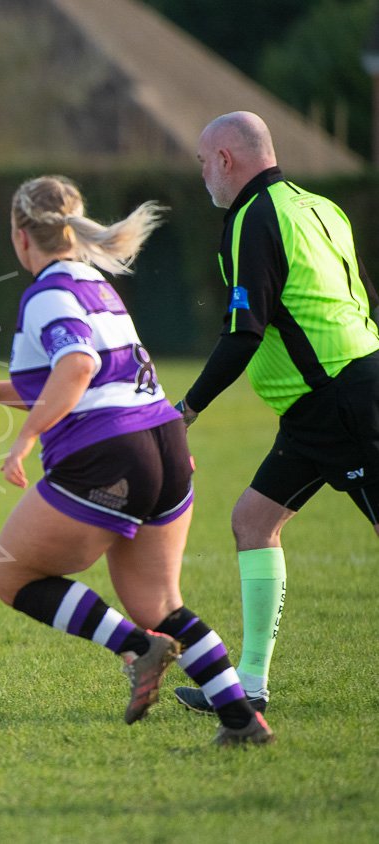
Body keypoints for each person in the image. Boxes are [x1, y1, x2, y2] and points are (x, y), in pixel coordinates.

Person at [0, 175, 272, 746]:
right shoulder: (95, 282)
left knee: (14, 575)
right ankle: (242, 721)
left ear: (23, 238)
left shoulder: (46, 293)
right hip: (165, 444)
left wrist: (23, 440)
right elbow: (88, 374)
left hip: (110, 452)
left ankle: (136, 647)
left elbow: (77, 370)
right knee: (159, 603)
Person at [171, 111, 379, 716]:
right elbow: (361, 297)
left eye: (204, 161)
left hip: (344, 403)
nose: (203, 173)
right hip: (326, 404)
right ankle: (250, 685)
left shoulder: (250, 219)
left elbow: (243, 334)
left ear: (227, 160)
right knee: (252, 522)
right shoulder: (320, 207)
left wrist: (188, 409)